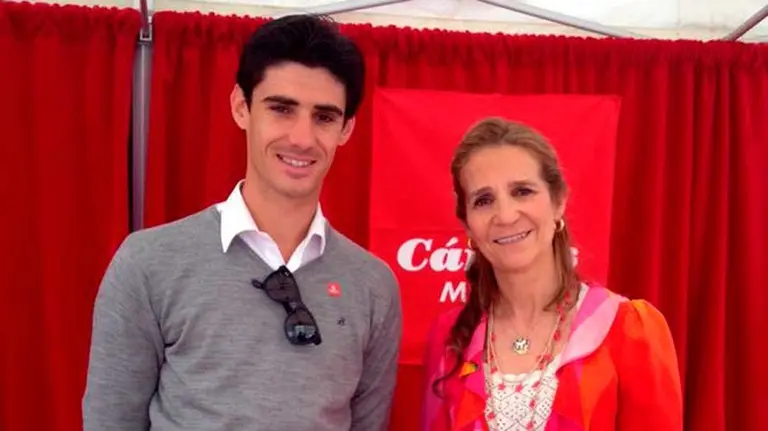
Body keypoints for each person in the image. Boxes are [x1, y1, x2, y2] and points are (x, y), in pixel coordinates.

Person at [83, 14, 402, 431]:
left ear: (346, 129)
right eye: (282, 109)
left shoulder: (373, 286)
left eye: (323, 117)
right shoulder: (147, 264)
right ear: (240, 107)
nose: (302, 138)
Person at [420, 118, 683, 431]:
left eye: (522, 191)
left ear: (558, 202)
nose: (505, 215)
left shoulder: (629, 329)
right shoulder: (448, 338)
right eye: (483, 200)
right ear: (467, 225)